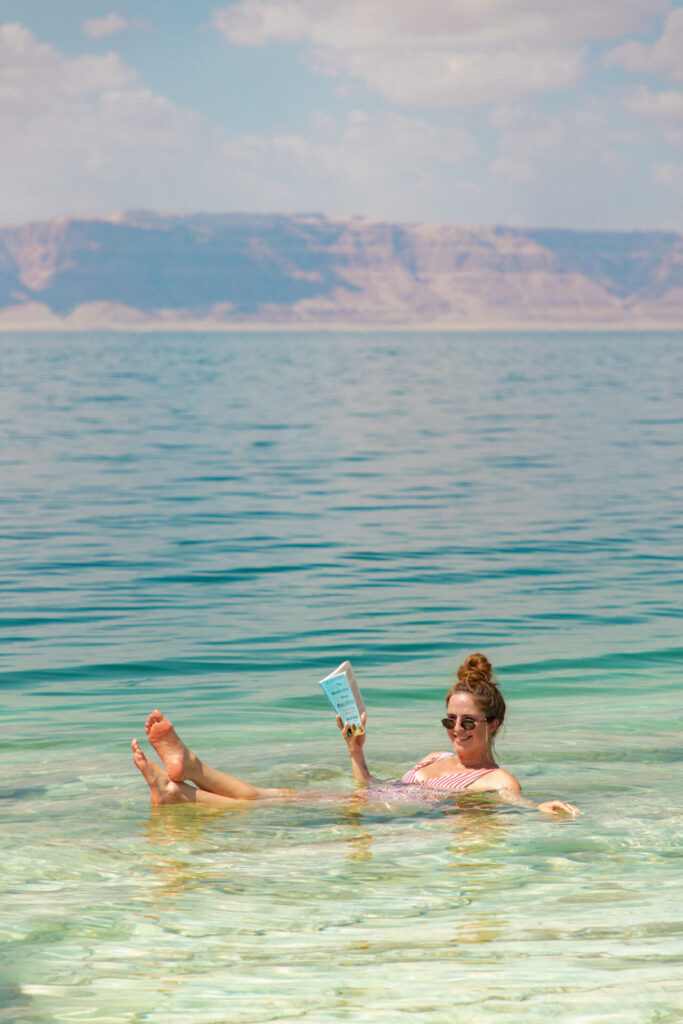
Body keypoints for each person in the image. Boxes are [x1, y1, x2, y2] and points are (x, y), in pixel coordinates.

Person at [132, 653, 579, 815]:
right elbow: (373, 788)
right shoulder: (429, 759)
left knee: (270, 801)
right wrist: (356, 751)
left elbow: (514, 806)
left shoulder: (496, 779)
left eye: (468, 723)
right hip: (370, 804)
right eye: (450, 721)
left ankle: (184, 778)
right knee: (276, 796)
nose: (457, 731)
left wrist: (541, 806)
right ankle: (180, 781)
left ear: (492, 725)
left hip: (385, 821)